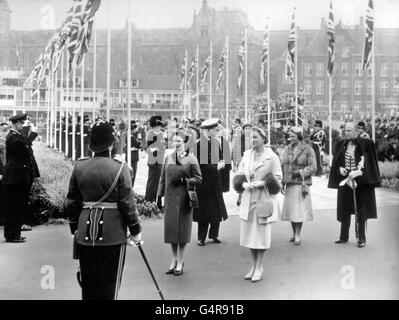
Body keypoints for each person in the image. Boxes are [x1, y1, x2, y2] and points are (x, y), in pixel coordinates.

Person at [64, 120, 142, 300]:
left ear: (91, 145)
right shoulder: (120, 168)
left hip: (84, 232)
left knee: (88, 284)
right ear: (112, 143)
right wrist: (135, 230)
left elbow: (72, 202)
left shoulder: (80, 166)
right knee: (109, 285)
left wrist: (75, 227)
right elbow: (127, 204)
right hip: (112, 233)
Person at [233, 126, 282, 282]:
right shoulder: (247, 155)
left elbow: (278, 178)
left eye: (254, 137)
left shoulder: (272, 157)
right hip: (249, 198)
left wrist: (264, 183)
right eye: (250, 137)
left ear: (263, 138)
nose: (251, 140)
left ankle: (259, 266)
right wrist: (242, 184)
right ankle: (253, 266)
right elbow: (239, 174)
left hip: (263, 198)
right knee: (250, 236)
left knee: (260, 236)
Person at [328, 122, 380, 248]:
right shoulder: (341, 144)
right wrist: (340, 169)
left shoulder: (365, 144)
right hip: (346, 182)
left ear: (356, 131)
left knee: (360, 211)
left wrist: (359, 172)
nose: (347, 133)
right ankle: (343, 236)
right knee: (344, 209)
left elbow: (370, 162)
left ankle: (361, 238)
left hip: (361, 183)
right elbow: (337, 163)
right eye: (346, 130)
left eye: (350, 130)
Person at [158, 131, 202, 276]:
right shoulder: (168, 158)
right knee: (171, 231)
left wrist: (185, 181)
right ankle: (173, 260)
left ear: (185, 142)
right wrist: (159, 196)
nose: (176, 144)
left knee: (182, 231)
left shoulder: (191, 158)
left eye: (179, 141)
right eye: (174, 141)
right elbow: (163, 178)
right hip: (170, 200)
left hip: (184, 199)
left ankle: (180, 261)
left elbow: (199, 178)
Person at [2, 114, 37, 243]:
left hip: (18, 176)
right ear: (16, 123)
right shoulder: (14, 137)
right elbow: (26, 144)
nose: (23, 125)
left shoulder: (16, 136)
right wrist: (32, 133)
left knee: (18, 206)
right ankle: (12, 235)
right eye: (22, 123)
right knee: (15, 207)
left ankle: (14, 233)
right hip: (16, 177)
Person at [193, 118, 228, 246]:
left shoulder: (215, 142)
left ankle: (214, 235)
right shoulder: (199, 144)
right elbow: (200, 165)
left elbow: (219, 157)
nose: (217, 131)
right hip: (204, 183)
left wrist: (221, 162)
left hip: (215, 181)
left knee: (216, 210)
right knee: (204, 211)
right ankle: (201, 237)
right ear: (208, 130)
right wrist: (216, 167)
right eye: (215, 129)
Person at [281, 126, 317, 245]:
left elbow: (313, 167)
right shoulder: (287, 149)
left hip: (301, 183)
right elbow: (283, 166)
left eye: (293, 136)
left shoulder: (308, 149)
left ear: (299, 136)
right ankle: (293, 232)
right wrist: (283, 182)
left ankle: (298, 234)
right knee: (292, 211)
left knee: (299, 211)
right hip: (290, 183)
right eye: (290, 136)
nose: (290, 138)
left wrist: (300, 173)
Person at [145, 116, 165, 205]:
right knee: (152, 182)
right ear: (155, 125)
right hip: (153, 160)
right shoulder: (151, 133)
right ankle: (150, 201)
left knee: (156, 182)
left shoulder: (160, 133)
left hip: (160, 160)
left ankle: (154, 201)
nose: (160, 127)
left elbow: (163, 144)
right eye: (158, 125)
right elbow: (148, 149)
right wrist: (158, 148)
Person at [129, 120, 143, 188]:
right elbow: (139, 145)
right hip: (133, 158)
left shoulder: (130, 136)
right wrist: (139, 138)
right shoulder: (132, 137)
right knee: (132, 175)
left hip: (130, 157)